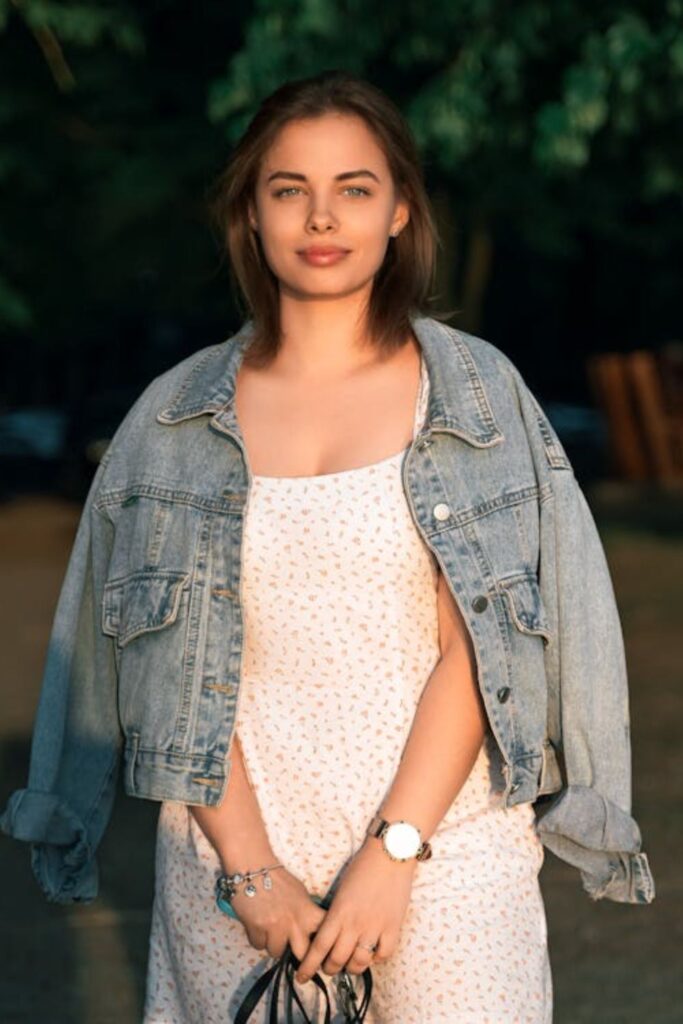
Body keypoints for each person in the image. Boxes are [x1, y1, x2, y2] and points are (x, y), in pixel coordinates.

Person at [0, 70, 654, 1023]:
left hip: (446, 849)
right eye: (287, 189)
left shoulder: (474, 396)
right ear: (251, 216)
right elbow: (159, 657)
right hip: (233, 859)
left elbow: (489, 644)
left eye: (354, 187)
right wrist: (251, 873)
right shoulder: (173, 419)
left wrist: (392, 856)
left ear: (397, 212)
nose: (321, 217)